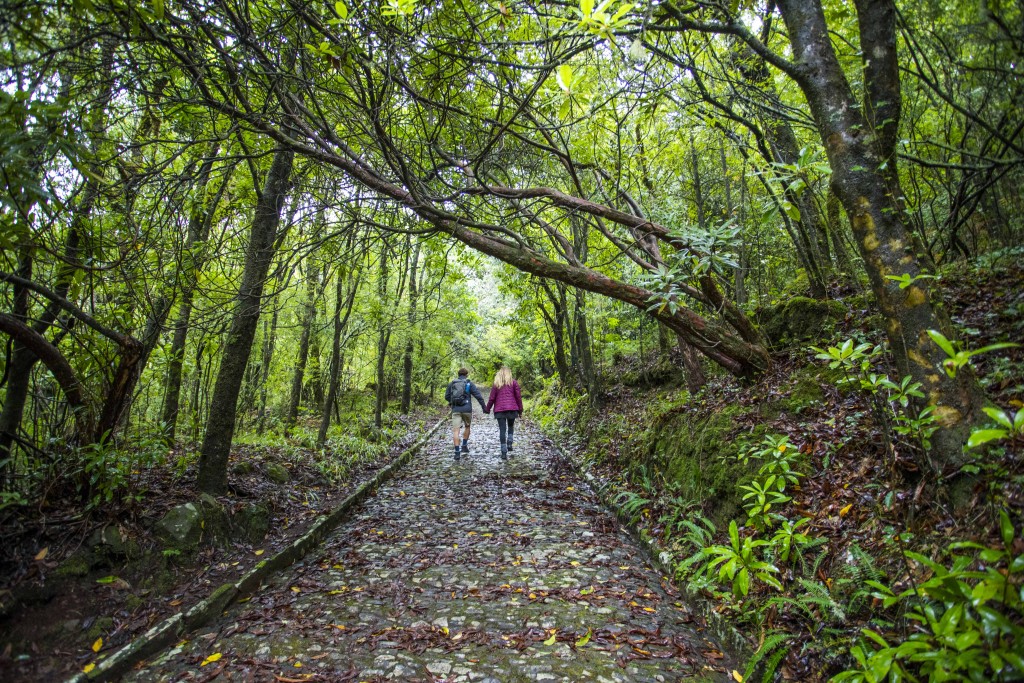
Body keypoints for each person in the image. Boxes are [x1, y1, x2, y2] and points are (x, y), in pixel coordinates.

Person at [444, 367, 487, 461]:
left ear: (458, 374)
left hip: (456, 409)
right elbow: (478, 396)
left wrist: (453, 402)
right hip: (467, 409)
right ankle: (464, 445)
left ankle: (457, 452)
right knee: (467, 426)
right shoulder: (469, 383)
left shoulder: (452, 383)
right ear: (466, 374)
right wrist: (484, 407)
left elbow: (446, 396)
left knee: (456, 431)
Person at [484, 366, 523, 459]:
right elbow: (518, 397)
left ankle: (504, 452)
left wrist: (487, 409)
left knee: (502, 429)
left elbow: (492, 398)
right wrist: (520, 410)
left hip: (500, 410)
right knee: (510, 426)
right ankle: (510, 442)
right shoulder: (514, 383)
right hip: (512, 409)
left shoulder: (496, 384)